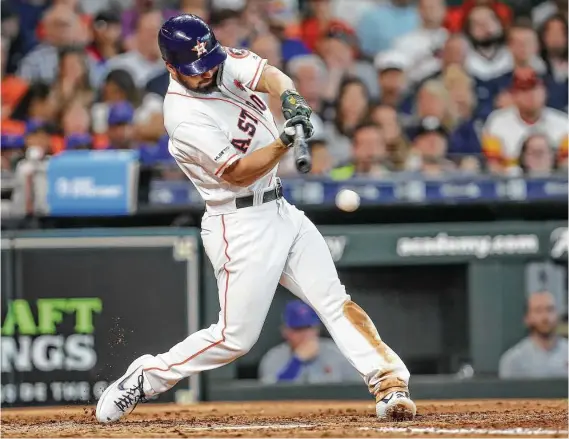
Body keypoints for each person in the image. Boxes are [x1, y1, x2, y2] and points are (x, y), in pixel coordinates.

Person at [96, 14, 415, 424]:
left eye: (210, 60)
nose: (208, 71)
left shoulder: (219, 60)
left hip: (280, 208)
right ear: (171, 68)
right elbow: (238, 172)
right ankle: (146, 376)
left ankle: (389, 385)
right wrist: (285, 138)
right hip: (239, 223)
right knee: (234, 338)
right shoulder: (182, 114)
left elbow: (271, 76)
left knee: (333, 300)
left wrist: (292, 101)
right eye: (196, 69)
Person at [482, 68, 568, 174]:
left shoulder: (563, 123)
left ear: (544, 92)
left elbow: (566, 165)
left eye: (534, 88)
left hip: (554, 185)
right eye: (523, 90)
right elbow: (493, 165)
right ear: (514, 95)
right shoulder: (497, 122)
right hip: (510, 186)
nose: (530, 95)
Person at [259, 300, 360, 383]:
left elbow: (357, 391)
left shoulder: (338, 354)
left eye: (309, 328)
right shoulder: (273, 358)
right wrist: (296, 362)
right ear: (285, 332)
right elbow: (271, 396)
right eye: (298, 329)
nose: (305, 335)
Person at [499, 291, 568, 379]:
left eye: (550, 309)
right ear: (527, 318)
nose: (545, 317)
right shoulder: (513, 360)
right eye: (538, 311)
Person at [16, 5, 87, 84]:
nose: (63, 30)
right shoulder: (34, 61)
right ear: (46, 29)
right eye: (57, 25)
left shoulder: (87, 58)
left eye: (66, 25)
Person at [105, 10, 166, 88]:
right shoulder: (119, 66)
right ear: (138, 33)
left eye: (158, 29)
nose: (155, 35)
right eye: (149, 31)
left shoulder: (174, 67)